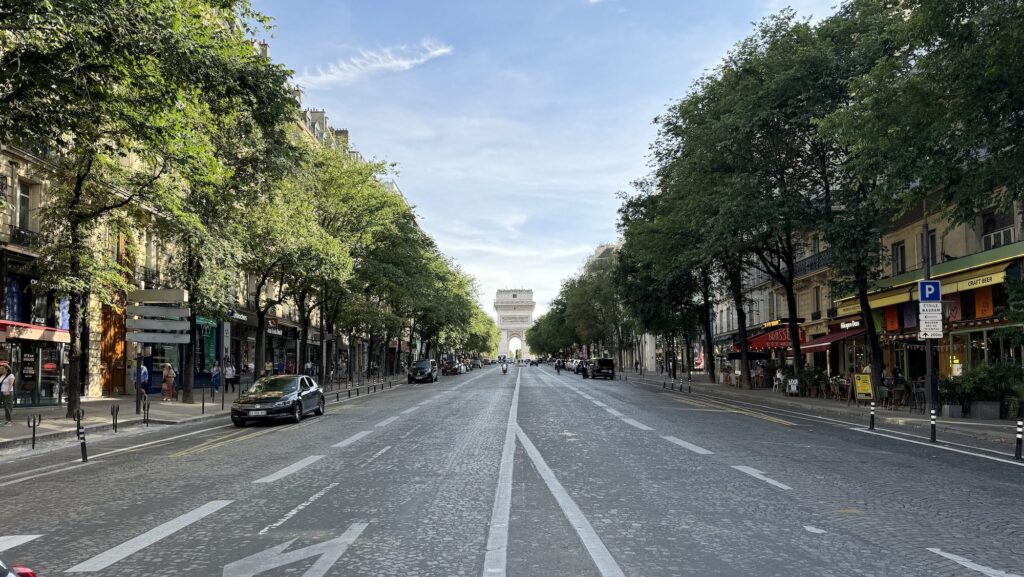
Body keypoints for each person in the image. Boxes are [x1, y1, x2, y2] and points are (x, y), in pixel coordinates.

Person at [0, 361, 14, 426]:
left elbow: (11, 384)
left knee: (7, 407)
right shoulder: (2, 375)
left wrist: (8, 391)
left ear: (7, 369)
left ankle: (9, 421)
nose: (1, 370)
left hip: (7, 393)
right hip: (1, 392)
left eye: (2, 369)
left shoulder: (10, 376)